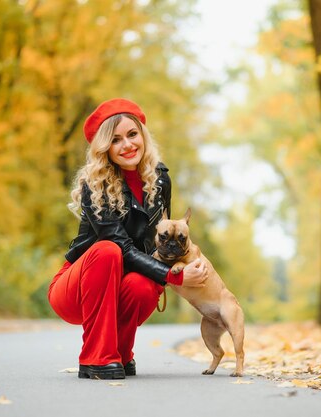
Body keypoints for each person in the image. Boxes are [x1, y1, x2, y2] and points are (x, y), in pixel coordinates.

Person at [48, 98, 208, 380]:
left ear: (142, 135)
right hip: (76, 287)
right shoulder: (94, 184)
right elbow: (120, 247)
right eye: (116, 140)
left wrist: (188, 267)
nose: (127, 145)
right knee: (109, 251)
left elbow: (164, 234)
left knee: (142, 285)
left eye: (132, 135)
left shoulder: (160, 179)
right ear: (104, 148)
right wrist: (174, 276)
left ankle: (120, 355)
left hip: (122, 282)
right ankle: (96, 357)